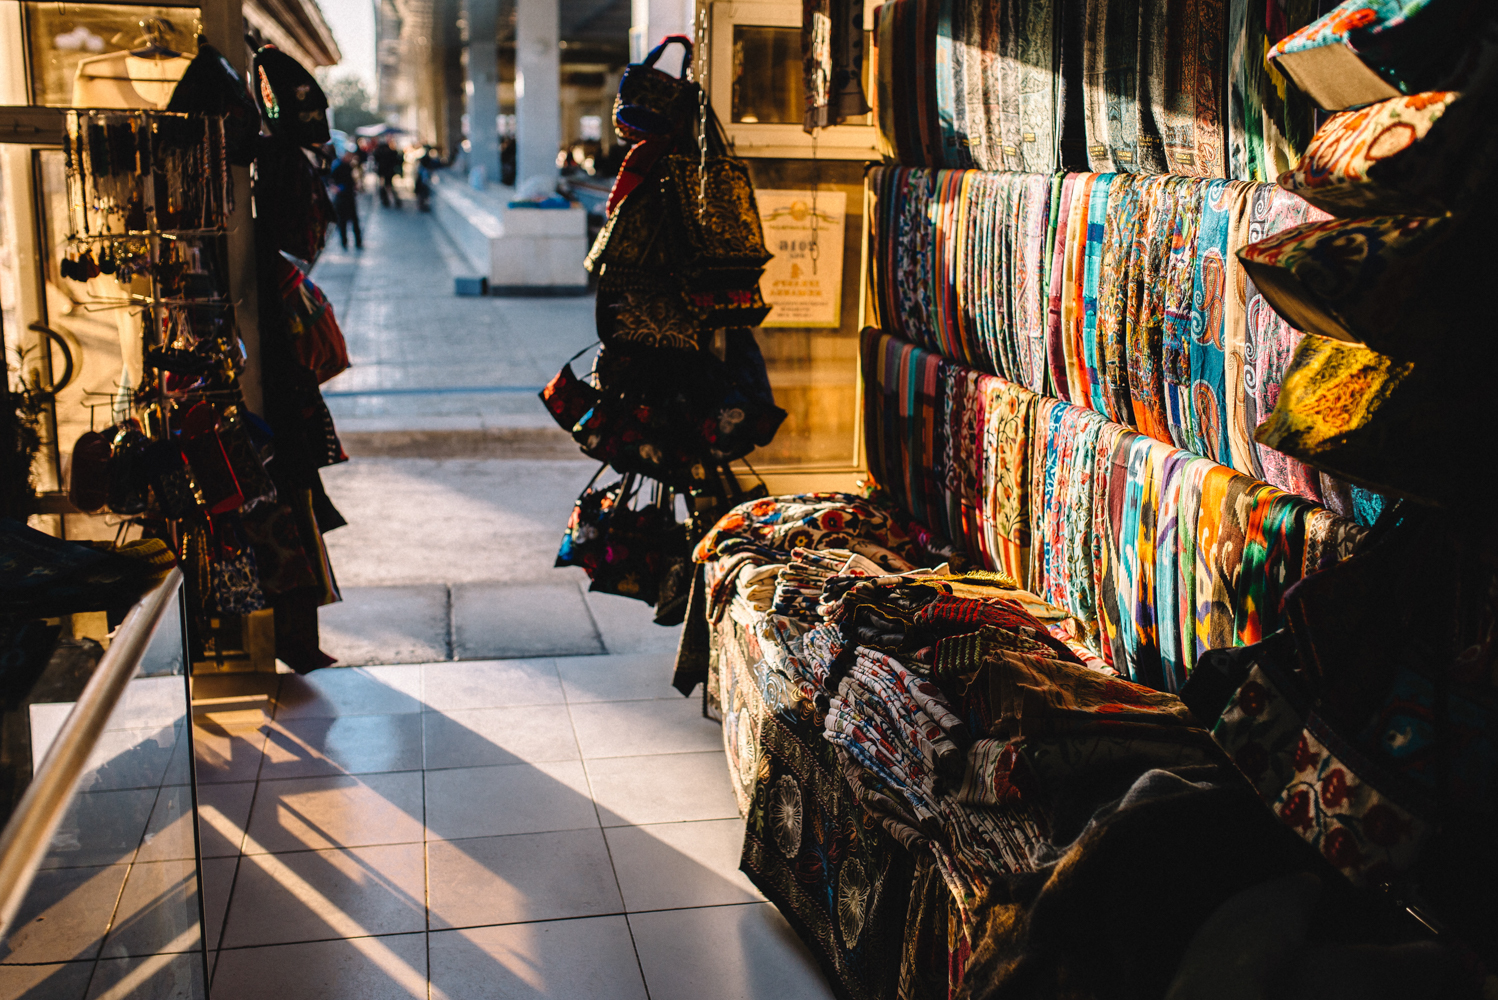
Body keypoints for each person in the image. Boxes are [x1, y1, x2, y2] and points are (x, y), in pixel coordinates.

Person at [330, 151, 362, 250]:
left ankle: (357, 242)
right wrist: (335, 188)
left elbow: (352, 180)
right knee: (343, 221)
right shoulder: (337, 166)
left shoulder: (348, 166)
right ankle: (344, 242)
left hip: (349, 196)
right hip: (342, 197)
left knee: (354, 220)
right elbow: (330, 179)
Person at [373, 137, 403, 208]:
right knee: (388, 186)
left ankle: (387, 200)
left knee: (385, 186)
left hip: (385, 171)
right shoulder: (391, 152)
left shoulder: (380, 152)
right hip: (388, 171)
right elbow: (397, 160)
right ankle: (392, 200)